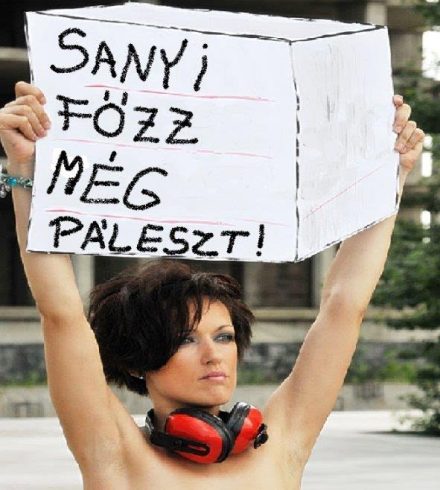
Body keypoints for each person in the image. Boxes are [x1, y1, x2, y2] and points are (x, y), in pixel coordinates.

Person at [0, 80, 424, 489]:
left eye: (224, 336)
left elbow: (344, 307)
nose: (213, 355)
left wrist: (387, 177)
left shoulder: (281, 446)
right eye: (185, 339)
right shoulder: (115, 453)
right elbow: (61, 314)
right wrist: (24, 167)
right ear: (134, 361)